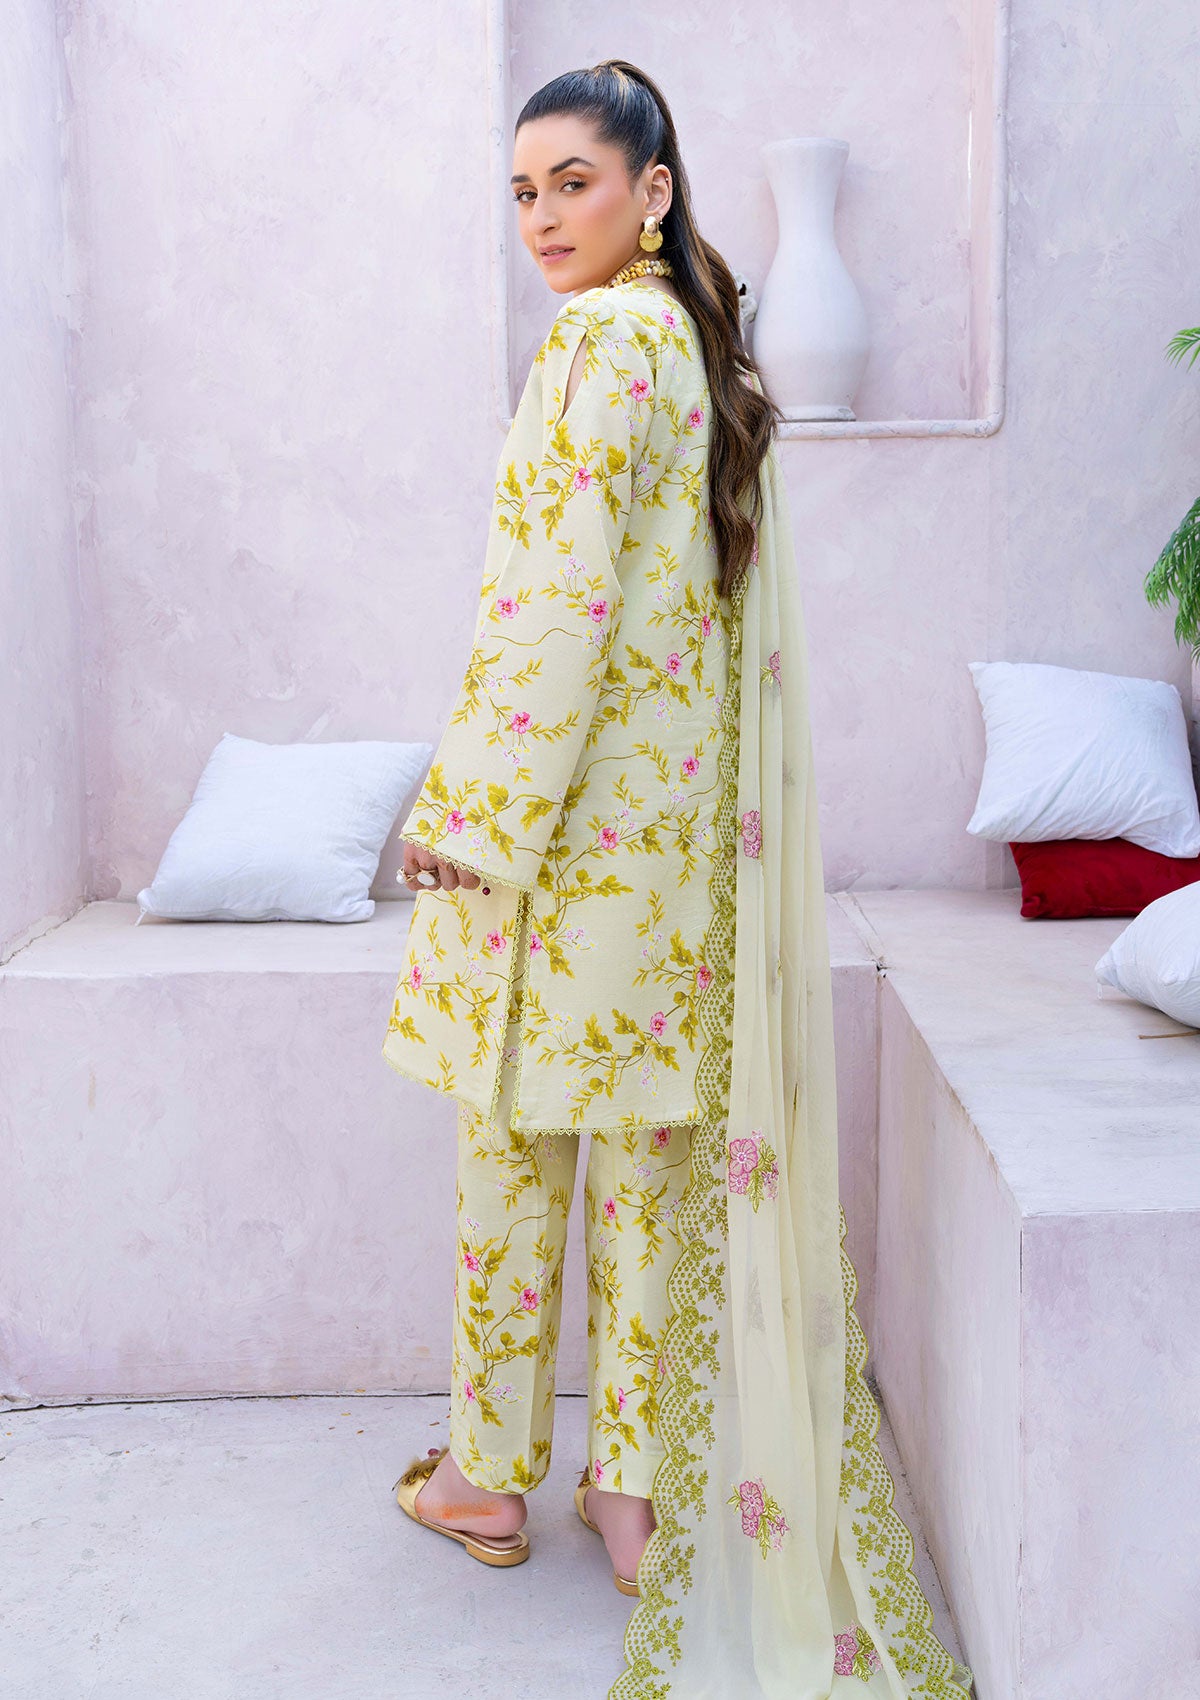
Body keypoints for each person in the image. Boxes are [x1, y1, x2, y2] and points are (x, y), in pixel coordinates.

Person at [382, 58, 975, 1700]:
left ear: (651, 191)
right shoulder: (697, 352)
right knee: (647, 1167)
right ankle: (633, 1501)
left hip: (555, 851)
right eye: (523, 191)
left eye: (572, 182)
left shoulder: (595, 344)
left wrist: (472, 812)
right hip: (667, 864)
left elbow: (557, 603)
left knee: (514, 1163)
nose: (541, 218)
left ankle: (485, 1479)